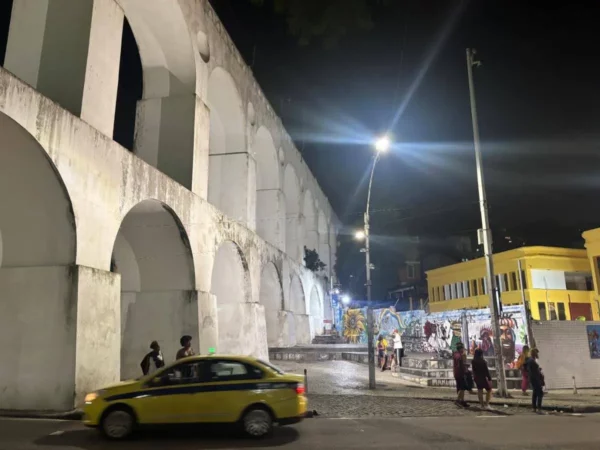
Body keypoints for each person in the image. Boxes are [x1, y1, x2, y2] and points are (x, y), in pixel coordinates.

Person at [527, 348, 545, 414]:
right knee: (540, 393)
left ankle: (534, 408)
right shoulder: (532, 361)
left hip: (533, 379)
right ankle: (539, 408)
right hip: (535, 379)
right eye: (537, 353)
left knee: (535, 393)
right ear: (535, 353)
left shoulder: (531, 360)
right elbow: (533, 372)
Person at [453, 342, 469, 407]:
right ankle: (458, 400)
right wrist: (467, 366)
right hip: (461, 372)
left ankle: (462, 400)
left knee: (459, 387)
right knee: (462, 387)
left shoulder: (455, 354)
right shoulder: (462, 355)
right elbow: (463, 364)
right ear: (461, 349)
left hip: (456, 372)